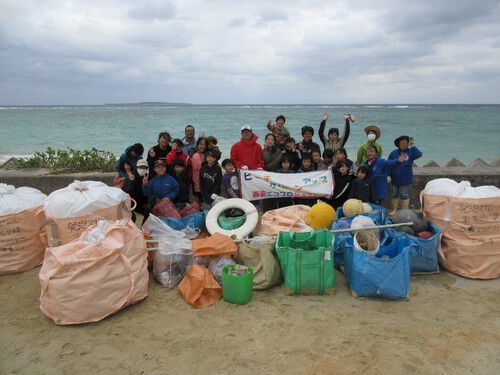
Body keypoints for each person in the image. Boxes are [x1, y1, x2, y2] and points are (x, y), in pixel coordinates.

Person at [388, 135, 423, 216]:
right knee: (394, 194)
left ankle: (404, 211)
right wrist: (388, 175)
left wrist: (413, 146)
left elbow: (419, 154)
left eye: (405, 143)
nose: (403, 144)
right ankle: (394, 209)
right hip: (394, 178)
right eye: (401, 143)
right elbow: (388, 164)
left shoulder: (410, 152)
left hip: (405, 179)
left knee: (404, 195)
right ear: (398, 143)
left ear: (408, 144)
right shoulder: (393, 153)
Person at [262, 133, 282, 213]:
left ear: (274, 141)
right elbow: (263, 161)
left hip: (275, 176)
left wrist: (267, 167)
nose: (270, 141)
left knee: (274, 196)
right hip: (265, 177)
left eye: (272, 140)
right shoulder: (263, 151)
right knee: (265, 196)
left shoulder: (278, 151)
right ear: (265, 140)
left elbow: (277, 162)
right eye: (268, 139)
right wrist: (266, 149)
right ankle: (265, 213)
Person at [190, 137, 207, 202]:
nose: (203, 146)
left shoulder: (205, 154)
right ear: (197, 145)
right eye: (201, 144)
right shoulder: (196, 155)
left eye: (204, 144)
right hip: (198, 183)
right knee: (200, 203)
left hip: (205, 183)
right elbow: (202, 168)